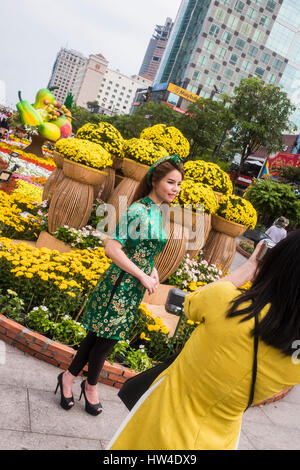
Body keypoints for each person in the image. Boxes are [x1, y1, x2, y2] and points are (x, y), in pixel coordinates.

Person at [107, 230, 300, 450]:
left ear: (278, 265)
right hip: (221, 440)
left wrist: (250, 268)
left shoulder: (225, 301)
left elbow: (191, 303)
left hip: (160, 424)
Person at [54, 155, 184, 415]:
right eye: (171, 182)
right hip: (119, 285)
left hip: (132, 286)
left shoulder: (157, 212)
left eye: (178, 185)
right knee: (106, 341)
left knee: (98, 336)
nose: (175, 189)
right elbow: (112, 248)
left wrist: (153, 270)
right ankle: (90, 386)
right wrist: (142, 275)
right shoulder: (138, 210)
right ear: (155, 180)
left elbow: (145, 249)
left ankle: (68, 377)